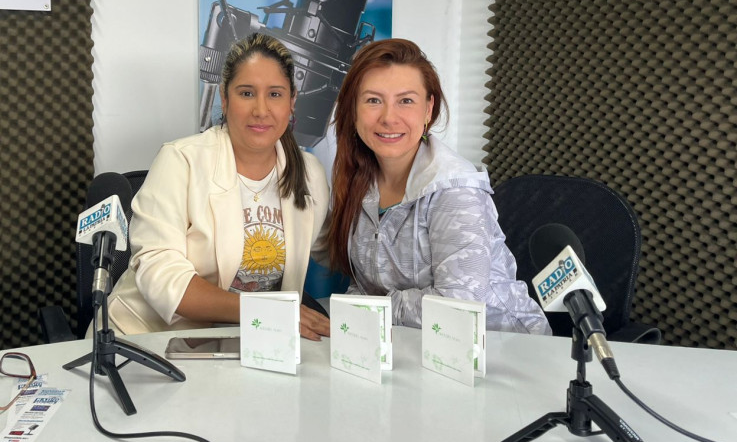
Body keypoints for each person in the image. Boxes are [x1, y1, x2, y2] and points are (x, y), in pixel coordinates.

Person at [102, 33, 331, 340]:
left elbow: (335, 250)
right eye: (247, 93)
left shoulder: (309, 173)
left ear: (292, 103)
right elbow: (162, 276)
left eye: (275, 94)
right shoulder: (180, 161)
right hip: (148, 339)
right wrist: (261, 310)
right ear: (225, 98)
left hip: (255, 343)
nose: (261, 110)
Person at [327, 38, 551, 334]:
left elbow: (457, 306)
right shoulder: (359, 182)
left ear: (428, 109)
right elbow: (364, 284)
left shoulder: (455, 188)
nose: (388, 117)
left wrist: (364, 309)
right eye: (373, 100)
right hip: (417, 348)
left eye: (406, 101)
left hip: (503, 347)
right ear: (353, 110)